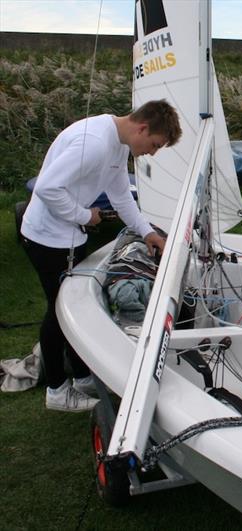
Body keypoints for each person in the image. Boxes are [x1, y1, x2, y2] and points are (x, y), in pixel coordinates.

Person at [20, 99, 182, 412]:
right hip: (46, 238)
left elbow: (121, 195)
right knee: (57, 312)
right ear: (142, 127)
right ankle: (56, 390)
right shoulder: (94, 142)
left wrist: (147, 232)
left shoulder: (119, 145)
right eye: (154, 144)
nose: (152, 152)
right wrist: (85, 216)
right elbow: (47, 188)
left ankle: (81, 376)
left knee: (73, 305)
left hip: (68, 236)